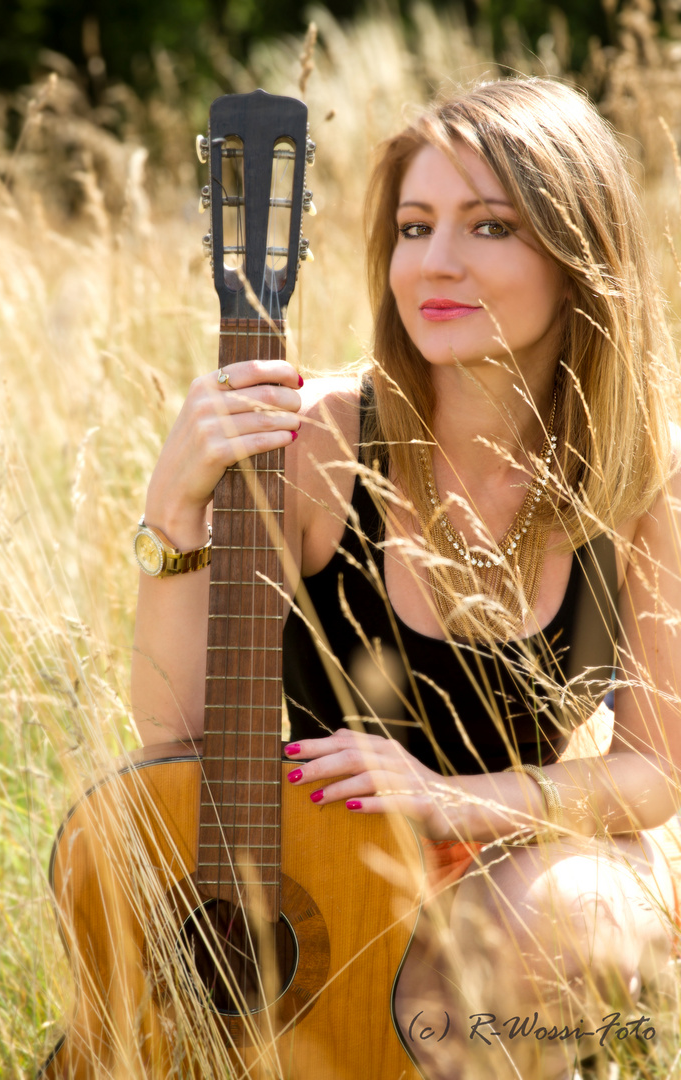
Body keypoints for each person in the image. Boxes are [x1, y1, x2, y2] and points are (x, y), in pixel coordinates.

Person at [131, 77, 681, 1079]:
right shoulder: (317, 442)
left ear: (579, 258)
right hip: (331, 867)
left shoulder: (644, 474)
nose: (433, 263)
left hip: (528, 856)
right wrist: (176, 514)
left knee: (564, 925)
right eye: (415, 225)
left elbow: (656, 772)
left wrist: (449, 799)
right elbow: (176, 746)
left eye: (489, 227)